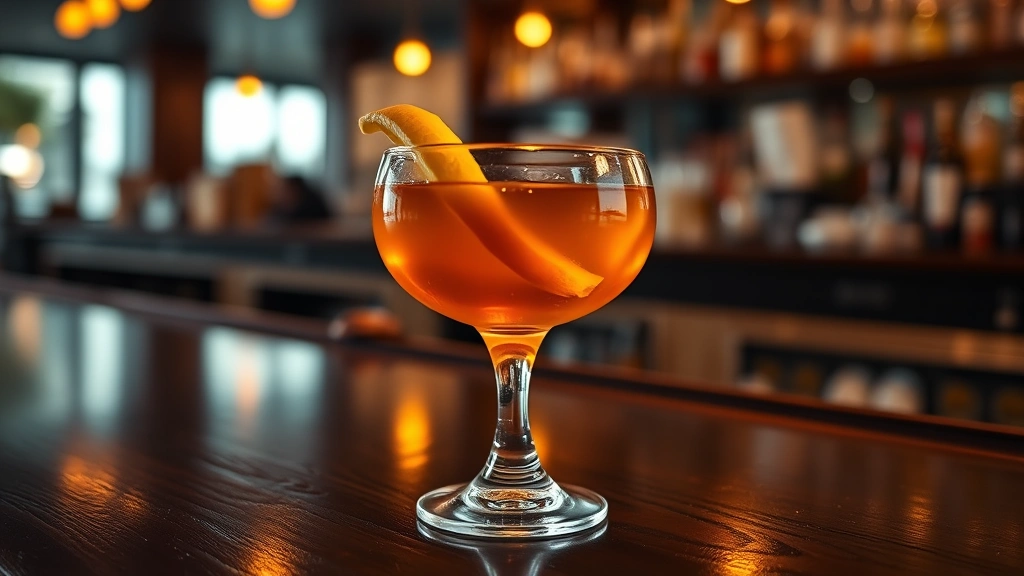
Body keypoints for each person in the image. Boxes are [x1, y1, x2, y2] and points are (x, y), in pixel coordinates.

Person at [268, 175, 333, 224]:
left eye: (287, 190)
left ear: (297, 190)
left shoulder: (312, 205)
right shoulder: (282, 207)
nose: (283, 195)